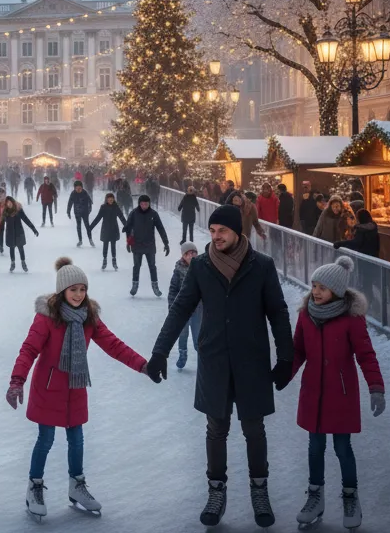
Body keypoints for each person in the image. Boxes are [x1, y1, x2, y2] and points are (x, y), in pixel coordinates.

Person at [146, 203, 294, 529]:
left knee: (254, 429)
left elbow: (278, 313)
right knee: (216, 428)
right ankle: (216, 492)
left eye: (221, 231)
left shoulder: (261, 266)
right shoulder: (200, 266)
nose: (216, 237)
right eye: (212, 232)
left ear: (236, 231)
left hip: (251, 359)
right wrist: (160, 352)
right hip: (214, 359)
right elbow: (181, 309)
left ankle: (259, 490)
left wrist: (286, 358)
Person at [7, 257, 148, 519]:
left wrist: (143, 365)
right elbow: (29, 349)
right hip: (48, 388)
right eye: (73, 289)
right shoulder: (47, 318)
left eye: (83, 289)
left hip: (75, 387)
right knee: (46, 439)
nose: (79, 294)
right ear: (62, 290)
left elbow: (114, 345)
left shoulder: (89, 317)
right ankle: (34, 486)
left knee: (77, 439)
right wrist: (17, 381)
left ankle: (77, 485)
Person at [291, 255, 385, 530]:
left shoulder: (351, 319)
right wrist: (284, 374)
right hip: (313, 393)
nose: (315, 291)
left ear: (336, 290)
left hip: (340, 395)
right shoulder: (305, 315)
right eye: (313, 285)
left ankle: (350, 497)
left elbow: (366, 355)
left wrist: (376, 388)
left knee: (343, 448)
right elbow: (297, 350)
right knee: (315, 447)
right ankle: (315, 497)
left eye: (321, 287)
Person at [124, 194, 170, 297]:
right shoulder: (133, 214)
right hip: (137, 244)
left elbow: (161, 229)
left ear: (149, 204)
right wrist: (128, 242)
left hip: (150, 245)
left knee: (152, 266)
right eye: (142, 204)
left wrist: (166, 243)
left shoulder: (153, 214)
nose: (144, 206)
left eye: (146, 204)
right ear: (139, 204)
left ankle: (155, 286)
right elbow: (128, 229)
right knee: (136, 266)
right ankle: (134, 285)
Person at [168, 242, 201, 371]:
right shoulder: (178, 270)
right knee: (182, 334)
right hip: (183, 309)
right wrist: (172, 307)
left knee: (198, 335)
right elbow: (173, 290)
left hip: (198, 309)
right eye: (188, 253)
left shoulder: (202, 268)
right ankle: (182, 354)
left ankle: (202, 359)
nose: (192, 255)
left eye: (194, 253)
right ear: (183, 256)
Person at [89, 192, 125, 271]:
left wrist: (127, 226)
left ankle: (114, 260)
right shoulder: (103, 207)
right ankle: (104, 260)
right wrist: (90, 227)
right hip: (105, 229)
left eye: (112, 199)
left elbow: (121, 217)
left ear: (113, 199)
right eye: (109, 199)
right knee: (105, 245)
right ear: (106, 200)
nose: (111, 200)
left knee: (113, 246)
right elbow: (98, 218)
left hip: (114, 229)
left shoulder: (116, 207)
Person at [2, 196, 40, 273]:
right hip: (10, 233)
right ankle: (12, 263)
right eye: (7, 203)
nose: (9, 204)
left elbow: (26, 219)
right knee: (11, 248)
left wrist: (33, 229)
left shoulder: (18, 210)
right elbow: (2, 223)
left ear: (12, 202)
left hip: (19, 232)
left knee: (20, 248)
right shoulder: (5, 212)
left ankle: (23, 262)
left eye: (10, 202)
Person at [66, 180, 93, 247]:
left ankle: (90, 239)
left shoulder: (84, 193)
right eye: (77, 188)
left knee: (87, 226)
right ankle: (80, 240)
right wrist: (68, 211)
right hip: (77, 212)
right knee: (78, 226)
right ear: (75, 188)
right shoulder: (73, 193)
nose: (78, 189)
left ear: (82, 187)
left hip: (85, 212)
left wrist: (89, 210)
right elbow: (70, 203)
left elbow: (90, 202)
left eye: (79, 188)